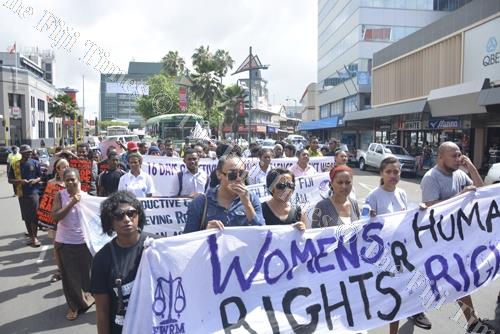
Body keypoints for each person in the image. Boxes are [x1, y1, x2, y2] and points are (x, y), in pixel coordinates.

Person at [420, 141, 494, 333]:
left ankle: (472, 321)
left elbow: (482, 190)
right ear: (440, 157)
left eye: (460, 154)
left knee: (462, 279)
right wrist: (460, 196)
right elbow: (431, 209)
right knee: (455, 279)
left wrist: (471, 168)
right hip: (441, 241)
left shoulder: (460, 174)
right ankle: (470, 321)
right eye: (454, 155)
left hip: (461, 238)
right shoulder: (431, 177)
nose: (458, 158)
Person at [365, 157, 431, 332]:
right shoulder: (373, 197)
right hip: (384, 259)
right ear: (381, 173)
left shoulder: (401, 193)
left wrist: (419, 211)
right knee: (392, 299)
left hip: (403, 254)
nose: (393, 175)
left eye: (396, 172)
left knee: (402, 295)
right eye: (388, 172)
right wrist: (369, 218)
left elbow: (406, 218)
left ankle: (411, 315)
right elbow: (365, 228)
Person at [91, 191, 155, 334]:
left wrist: (209, 236)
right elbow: (102, 311)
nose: (127, 219)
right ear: (110, 222)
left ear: (138, 215)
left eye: (131, 213)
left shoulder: (156, 245)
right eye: (119, 215)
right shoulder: (101, 259)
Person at [51, 168, 94, 321]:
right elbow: (55, 217)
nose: (70, 182)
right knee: (69, 277)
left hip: (83, 242)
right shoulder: (60, 195)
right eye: (67, 179)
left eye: (72, 179)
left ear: (78, 179)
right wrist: (71, 203)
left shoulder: (87, 197)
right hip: (65, 242)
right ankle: (73, 306)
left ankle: (85, 298)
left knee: (85, 275)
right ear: (63, 181)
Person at [184, 154, 264, 233]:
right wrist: (206, 232)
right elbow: (188, 240)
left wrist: (247, 205)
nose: (238, 179)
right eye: (232, 175)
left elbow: (263, 233)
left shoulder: (252, 199)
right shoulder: (200, 203)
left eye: (243, 174)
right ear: (219, 174)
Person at [8, 145, 42, 246]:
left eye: (30, 152)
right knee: (26, 216)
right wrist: (19, 181)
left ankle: (35, 237)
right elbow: (10, 180)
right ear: (21, 153)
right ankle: (31, 237)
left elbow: (40, 176)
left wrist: (35, 180)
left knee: (34, 215)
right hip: (21, 193)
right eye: (27, 152)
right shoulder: (15, 164)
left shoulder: (35, 163)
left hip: (34, 192)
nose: (29, 153)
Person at [46, 158, 69, 283]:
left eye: (67, 166)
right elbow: (47, 204)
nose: (66, 169)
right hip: (56, 221)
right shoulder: (51, 183)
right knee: (57, 246)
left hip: (70, 221)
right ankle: (60, 270)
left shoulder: (73, 182)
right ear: (57, 170)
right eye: (63, 167)